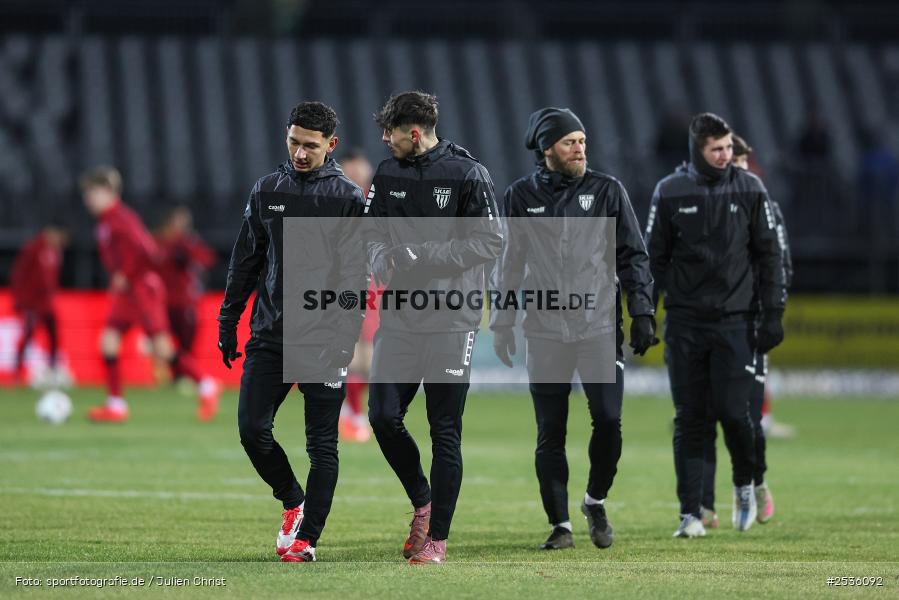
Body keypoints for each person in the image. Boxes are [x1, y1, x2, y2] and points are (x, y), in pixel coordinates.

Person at [490, 108, 657, 550]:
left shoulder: (607, 191)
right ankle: (560, 524)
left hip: (598, 326)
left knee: (608, 419)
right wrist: (503, 321)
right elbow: (510, 263)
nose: (580, 148)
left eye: (582, 140)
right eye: (570, 142)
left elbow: (634, 256)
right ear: (548, 149)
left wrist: (642, 313)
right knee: (551, 431)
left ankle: (594, 499)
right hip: (544, 330)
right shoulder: (520, 195)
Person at [217, 101, 366, 563]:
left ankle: (308, 539)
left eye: (311, 146)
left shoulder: (347, 198)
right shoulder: (267, 190)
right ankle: (292, 500)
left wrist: (346, 334)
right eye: (294, 143)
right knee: (251, 429)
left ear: (330, 145)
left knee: (322, 444)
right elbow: (246, 260)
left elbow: (353, 277)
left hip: (323, 339)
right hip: (271, 333)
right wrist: (228, 320)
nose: (300, 154)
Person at [365, 91, 502, 564]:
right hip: (400, 317)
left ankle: (437, 539)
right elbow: (370, 233)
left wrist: (422, 255)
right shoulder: (386, 175)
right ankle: (422, 499)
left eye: (392, 131)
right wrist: (380, 255)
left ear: (415, 132)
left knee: (444, 430)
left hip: (453, 318)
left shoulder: (468, 174)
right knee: (383, 416)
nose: (385, 139)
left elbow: (491, 240)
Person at [644, 113, 786, 538]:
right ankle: (690, 514)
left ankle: (744, 485)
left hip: (735, 322)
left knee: (736, 414)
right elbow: (655, 261)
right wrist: (645, 313)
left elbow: (770, 256)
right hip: (685, 323)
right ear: (698, 151)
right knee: (690, 418)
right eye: (717, 150)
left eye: (728, 148)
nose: (726, 156)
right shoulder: (670, 191)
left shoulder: (750, 189)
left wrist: (773, 313)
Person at [698, 134, 794, 529]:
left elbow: (781, 265)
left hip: (748, 324)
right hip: (704, 325)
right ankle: (701, 503)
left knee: (744, 416)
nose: (735, 168)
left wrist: (768, 311)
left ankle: (756, 482)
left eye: (739, 161)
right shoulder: (697, 205)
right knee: (699, 415)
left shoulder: (764, 207)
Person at [80, 167, 220, 423]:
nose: (88, 199)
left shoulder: (122, 218)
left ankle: (206, 385)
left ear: (108, 191)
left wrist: (126, 274)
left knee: (162, 348)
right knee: (108, 342)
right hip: (129, 292)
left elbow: (146, 250)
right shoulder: (106, 222)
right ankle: (116, 405)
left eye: (92, 193)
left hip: (142, 289)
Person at [338, 149, 376, 443]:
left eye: (360, 169)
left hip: (374, 284)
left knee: (369, 356)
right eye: (352, 169)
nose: (357, 173)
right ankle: (352, 414)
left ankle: (352, 413)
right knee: (350, 354)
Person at [155, 206, 217, 384]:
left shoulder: (190, 242)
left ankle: (184, 377)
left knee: (187, 343)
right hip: (166, 301)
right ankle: (175, 376)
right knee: (165, 342)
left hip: (186, 302)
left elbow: (207, 259)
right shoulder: (163, 242)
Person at [11, 223, 68, 383]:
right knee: (28, 334)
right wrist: (20, 300)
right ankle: (16, 371)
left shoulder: (55, 251)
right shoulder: (33, 249)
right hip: (32, 303)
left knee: (54, 336)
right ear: (50, 232)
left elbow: (52, 277)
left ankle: (53, 370)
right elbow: (19, 275)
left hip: (47, 303)